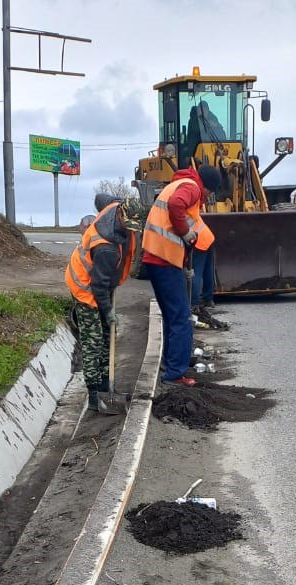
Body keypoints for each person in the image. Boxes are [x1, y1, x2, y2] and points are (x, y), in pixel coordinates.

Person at [142, 165, 221, 385]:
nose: (207, 197)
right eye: (210, 193)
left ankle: (170, 364)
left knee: (171, 316)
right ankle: (175, 374)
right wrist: (186, 234)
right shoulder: (192, 187)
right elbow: (177, 205)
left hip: (155, 257)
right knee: (182, 319)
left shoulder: (179, 183)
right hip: (164, 258)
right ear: (207, 187)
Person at [65, 197, 137, 413]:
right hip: (86, 288)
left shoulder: (116, 207)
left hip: (101, 282)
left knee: (108, 336)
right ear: (121, 216)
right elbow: (99, 286)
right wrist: (108, 312)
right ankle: (95, 393)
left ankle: (107, 384)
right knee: (94, 341)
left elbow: (100, 198)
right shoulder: (106, 248)